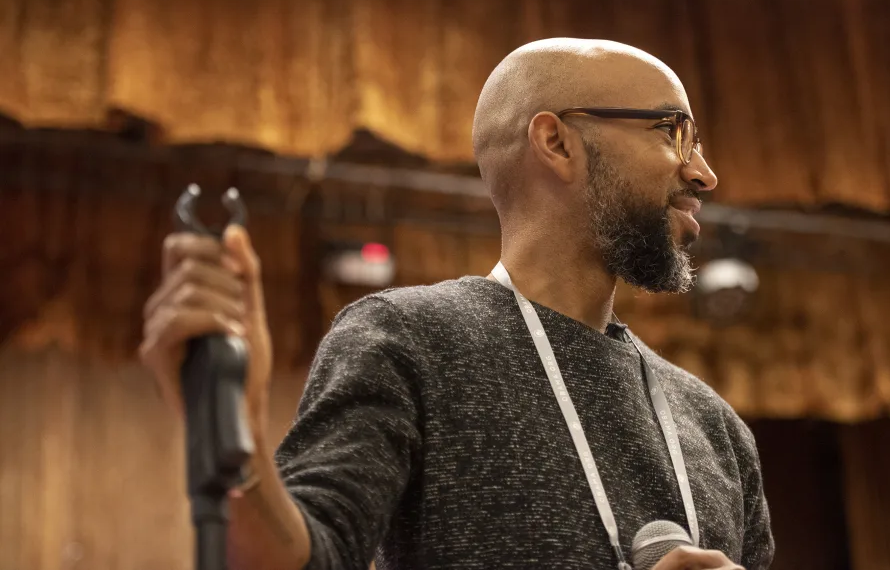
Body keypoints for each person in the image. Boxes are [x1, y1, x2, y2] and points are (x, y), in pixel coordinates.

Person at [141, 38, 774, 570]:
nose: (703, 173)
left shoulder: (715, 426)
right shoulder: (407, 342)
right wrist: (231, 433)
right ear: (557, 143)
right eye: (672, 131)